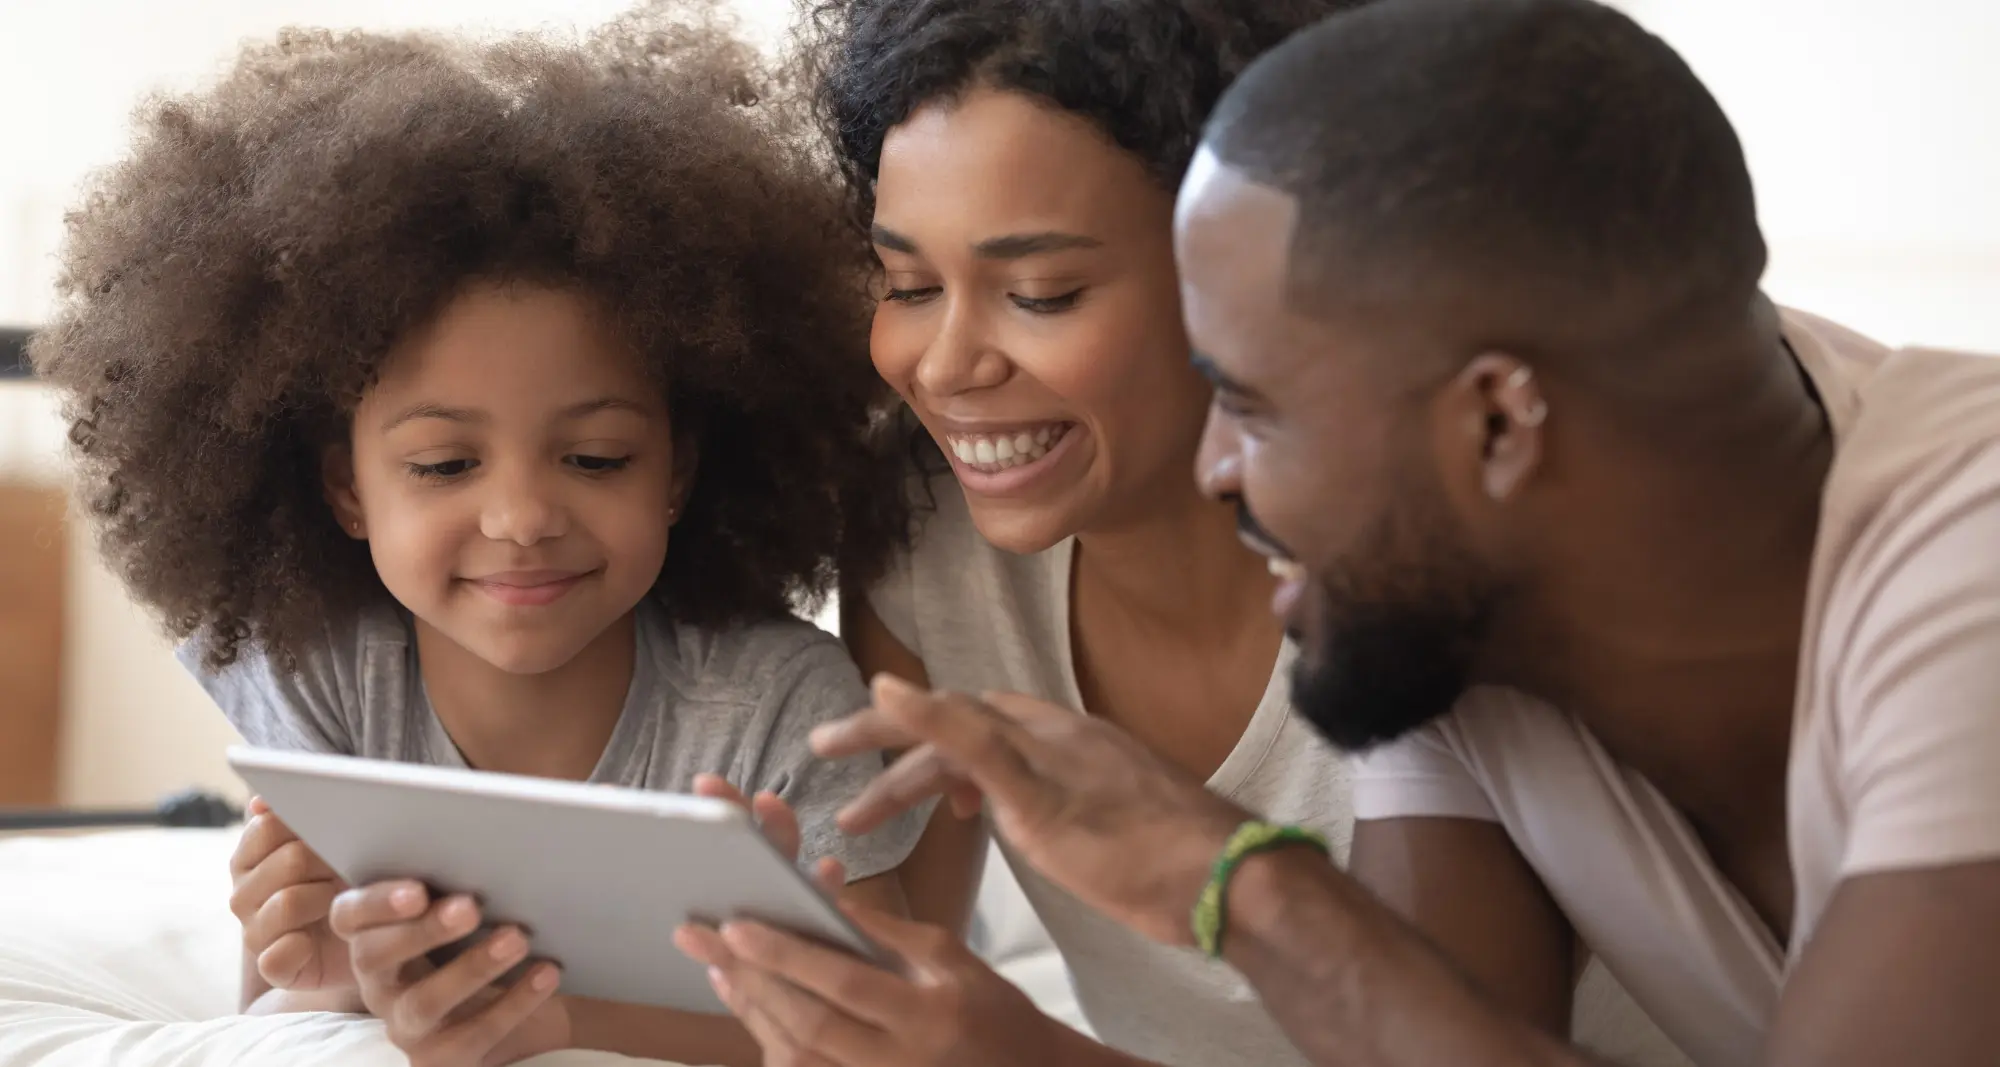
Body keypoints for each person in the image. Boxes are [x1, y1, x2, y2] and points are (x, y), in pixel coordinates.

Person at [691, 0, 2000, 1065]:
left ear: (1496, 423)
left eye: (1251, 403)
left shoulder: (1968, 562)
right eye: (909, 279)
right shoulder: (1435, 582)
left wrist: (1240, 879)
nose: (1222, 470)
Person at [27, 6, 925, 1065]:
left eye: (595, 458)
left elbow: (895, 1027)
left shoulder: (787, 718)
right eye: (445, 465)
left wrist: (552, 1020)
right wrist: (314, 978)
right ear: (344, 486)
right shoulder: (319, 676)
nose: (522, 518)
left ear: (680, 468)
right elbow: (283, 1021)